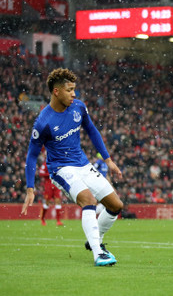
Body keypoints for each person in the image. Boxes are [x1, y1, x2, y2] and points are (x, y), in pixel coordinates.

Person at [22, 68, 124, 267]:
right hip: (61, 169)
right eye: (69, 90)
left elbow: (92, 131)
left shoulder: (78, 107)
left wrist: (108, 160)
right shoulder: (43, 122)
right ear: (56, 92)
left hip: (83, 165)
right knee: (89, 200)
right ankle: (98, 253)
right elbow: (32, 154)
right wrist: (29, 188)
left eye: (74, 89)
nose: (74, 94)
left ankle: (94, 240)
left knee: (116, 206)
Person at [38, 159, 64, 226]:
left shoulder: (58, 163)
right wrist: (49, 174)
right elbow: (41, 173)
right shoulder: (45, 164)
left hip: (56, 185)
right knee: (47, 202)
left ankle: (58, 221)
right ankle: (42, 219)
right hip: (48, 185)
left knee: (58, 201)